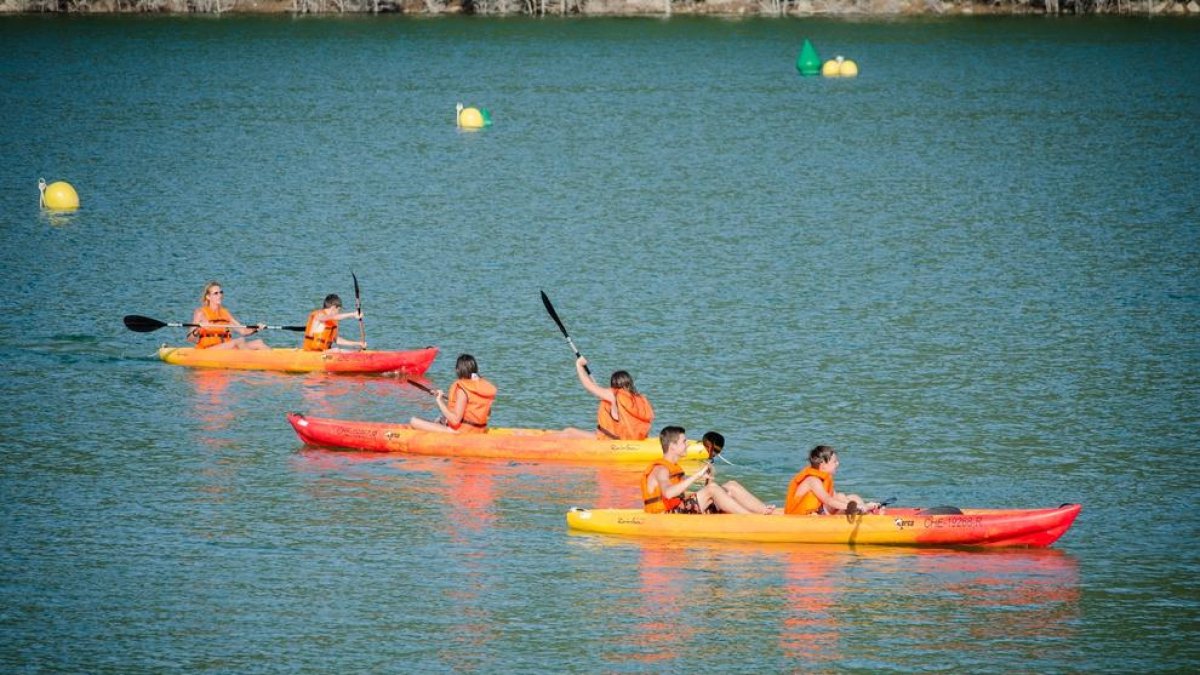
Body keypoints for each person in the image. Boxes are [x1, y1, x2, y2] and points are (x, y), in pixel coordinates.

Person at [641, 426, 775, 515]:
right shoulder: (661, 469)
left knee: (731, 486)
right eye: (684, 441)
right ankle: (751, 518)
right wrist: (697, 475)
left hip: (679, 510)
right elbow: (669, 493)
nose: (687, 444)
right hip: (664, 516)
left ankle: (765, 511)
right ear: (672, 446)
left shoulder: (673, 466)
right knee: (713, 489)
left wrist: (705, 480)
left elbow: (684, 499)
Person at [561, 356, 654, 440]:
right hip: (634, 440)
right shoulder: (638, 399)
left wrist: (579, 365)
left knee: (569, 431)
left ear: (613, 384)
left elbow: (588, 384)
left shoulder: (613, 395)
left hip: (612, 442)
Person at [410, 354, 496, 434]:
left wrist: (439, 400)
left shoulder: (462, 389)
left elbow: (455, 420)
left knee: (413, 421)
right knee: (440, 420)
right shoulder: (480, 388)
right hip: (479, 430)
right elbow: (487, 413)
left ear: (458, 370)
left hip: (461, 432)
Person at [784, 445, 881, 515]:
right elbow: (829, 501)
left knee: (853, 497)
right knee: (840, 496)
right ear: (823, 465)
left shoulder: (825, 479)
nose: (837, 464)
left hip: (818, 514)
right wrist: (857, 507)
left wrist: (861, 505)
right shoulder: (812, 480)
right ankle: (865, 515)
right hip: (802, 519)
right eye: (834, 461)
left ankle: (868, 515)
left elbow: (833, 498)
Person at [187, 281, 269, 350]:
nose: (220, 295)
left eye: (221, 292)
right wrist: (198, 329)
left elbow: (243, 331)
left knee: (259, 343)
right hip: (208, 349)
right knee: (239, 340)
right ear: (208, 297)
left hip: (226, 348)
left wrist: (256, 328)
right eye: (216, 293)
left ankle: (277, 364)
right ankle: (249, 362)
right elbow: (190, 338)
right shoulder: (200, 312)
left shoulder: (225, 313)